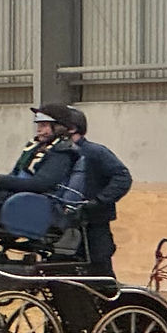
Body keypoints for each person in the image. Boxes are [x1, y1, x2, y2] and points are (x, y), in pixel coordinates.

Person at [0, 103, 79, 256]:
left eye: (44, 125)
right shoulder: (36, 148)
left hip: (43, 203)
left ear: (59, 127)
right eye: (39, 125)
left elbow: (42, 184)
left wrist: (2, 181)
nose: (39, 129)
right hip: (25, 197)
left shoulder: (62, 153)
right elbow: (18, 174)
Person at [66, 106, 132, 278]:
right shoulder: (60, 153)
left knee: (100, 267)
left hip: (94, 221)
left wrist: (99, 201)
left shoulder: (95, 152)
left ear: (72, 128)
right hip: (70, 222)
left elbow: (122, 177)